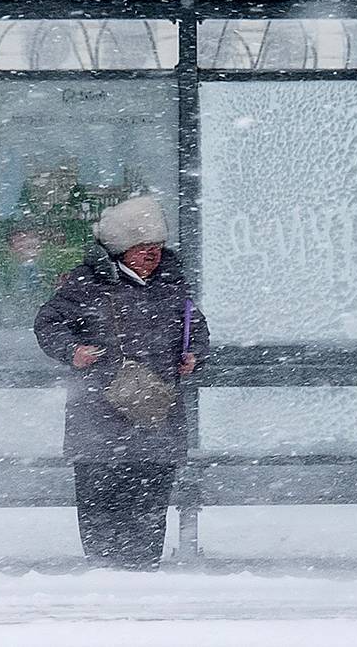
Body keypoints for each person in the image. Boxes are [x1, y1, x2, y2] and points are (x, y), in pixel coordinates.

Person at [33, 195, 209, 570]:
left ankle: (143, 569)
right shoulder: (87, 283)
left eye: (157, 248)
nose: (152, 256)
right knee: (101, 501)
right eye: (142, 248)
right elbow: (47, 323)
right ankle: (105, 571)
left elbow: (197, 326)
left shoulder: (172, 283)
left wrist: (194, 353)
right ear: (120, 250)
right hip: (98, 417)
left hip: (156, 417)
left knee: (150, 499)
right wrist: (72, 351)